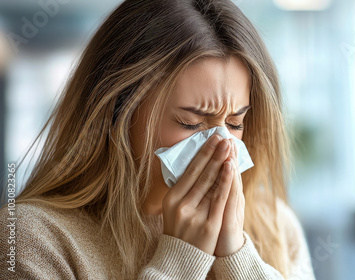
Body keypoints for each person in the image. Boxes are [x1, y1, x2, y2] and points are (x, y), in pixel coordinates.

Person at [0, 0, 315, 279]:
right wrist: (179, 262)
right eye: (189, 123)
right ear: (118, 112)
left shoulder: (275, 225)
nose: (221, 145)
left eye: (235, 123)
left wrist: (238, 259)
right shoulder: (32, 240)